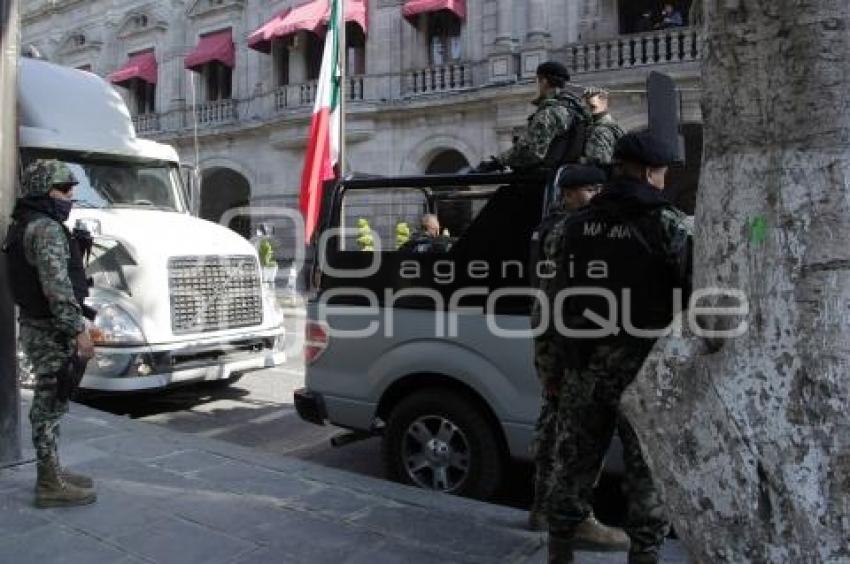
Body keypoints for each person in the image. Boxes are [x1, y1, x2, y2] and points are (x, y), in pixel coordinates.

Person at [545, 132, 692, 564]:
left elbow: (554, 301)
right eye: (663, 172)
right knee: (645, 473)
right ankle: (644, 554)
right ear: (650, 172)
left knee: (572, 465)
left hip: (583, 366)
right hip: (643, 371)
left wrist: (554, 372)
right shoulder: (668, 223)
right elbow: (693, 292)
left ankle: (559, 553)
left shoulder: (571, 225)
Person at [528, 165, 629, 552]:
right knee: (572, 437)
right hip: (566, 347)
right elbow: (552, 301)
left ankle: (543, 507)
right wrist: (550, 362)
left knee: (553, 429)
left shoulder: (558, 226)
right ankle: (568, 516)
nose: (595, 194)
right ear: (569, 194)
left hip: (559, 345)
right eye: (589, 189)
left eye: (598, 187)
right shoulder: (569, 230)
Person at [3, 160, 97, 508]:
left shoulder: (25, 223)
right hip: (50, 329)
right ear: (44, 189)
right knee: (49, 403)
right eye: (63, 189)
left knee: (52, 402)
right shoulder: (45, 228)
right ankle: (48, 483)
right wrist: (78, 331)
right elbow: (57, 287)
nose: (70, 196)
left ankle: (52, 469)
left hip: (37, 324)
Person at [477, 62, 590, 172]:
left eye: (536, 82)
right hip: (562, 176)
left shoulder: (550, 112)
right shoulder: (577, 111)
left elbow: (532, 152)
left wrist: (498, 162)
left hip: (542, 179)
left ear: (544, 82)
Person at [582, 88, 625, 166]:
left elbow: (599, 162)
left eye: (592, 107)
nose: (587, 108)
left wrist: (581, 161)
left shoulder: (600, 131)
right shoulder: (614, 125)